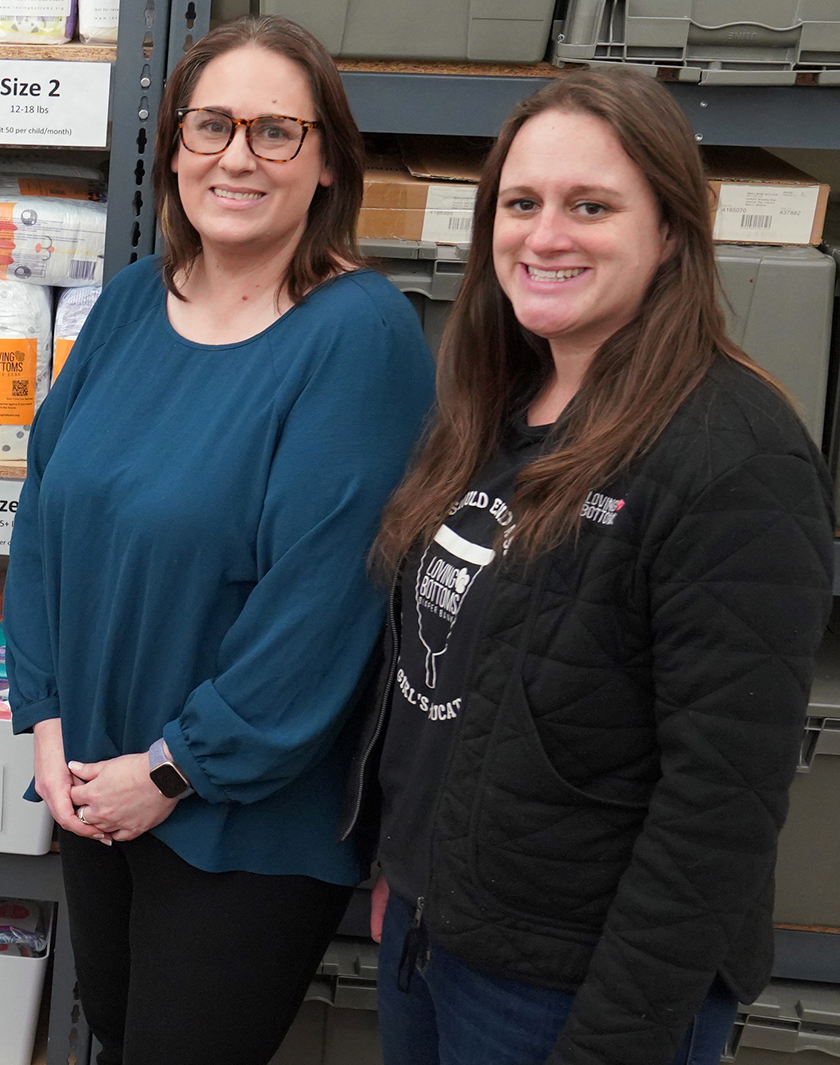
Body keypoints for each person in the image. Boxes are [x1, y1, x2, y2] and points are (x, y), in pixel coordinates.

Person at [353, 67, 831, 1065]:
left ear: (669, 231)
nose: (546, 235)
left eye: (591, 206)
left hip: (571, 988)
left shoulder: (734, 452)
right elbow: (445, 679)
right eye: (521, 204)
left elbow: (722, 805)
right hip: (436, 935)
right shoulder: (494, 406)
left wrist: (618, 1039)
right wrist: (408, 863)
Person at [3, 16, 434, 1064]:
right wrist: (47, 721)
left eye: (275, 131)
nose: (236, 156)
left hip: (236, 816)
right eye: (211, 126)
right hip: (90, 779)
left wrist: (171, 770)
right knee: (114, 1030)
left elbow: (326, 603)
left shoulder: (358, 335)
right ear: (175, 148)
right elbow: (46, 512)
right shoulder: (131, 303)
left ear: (327, 160)